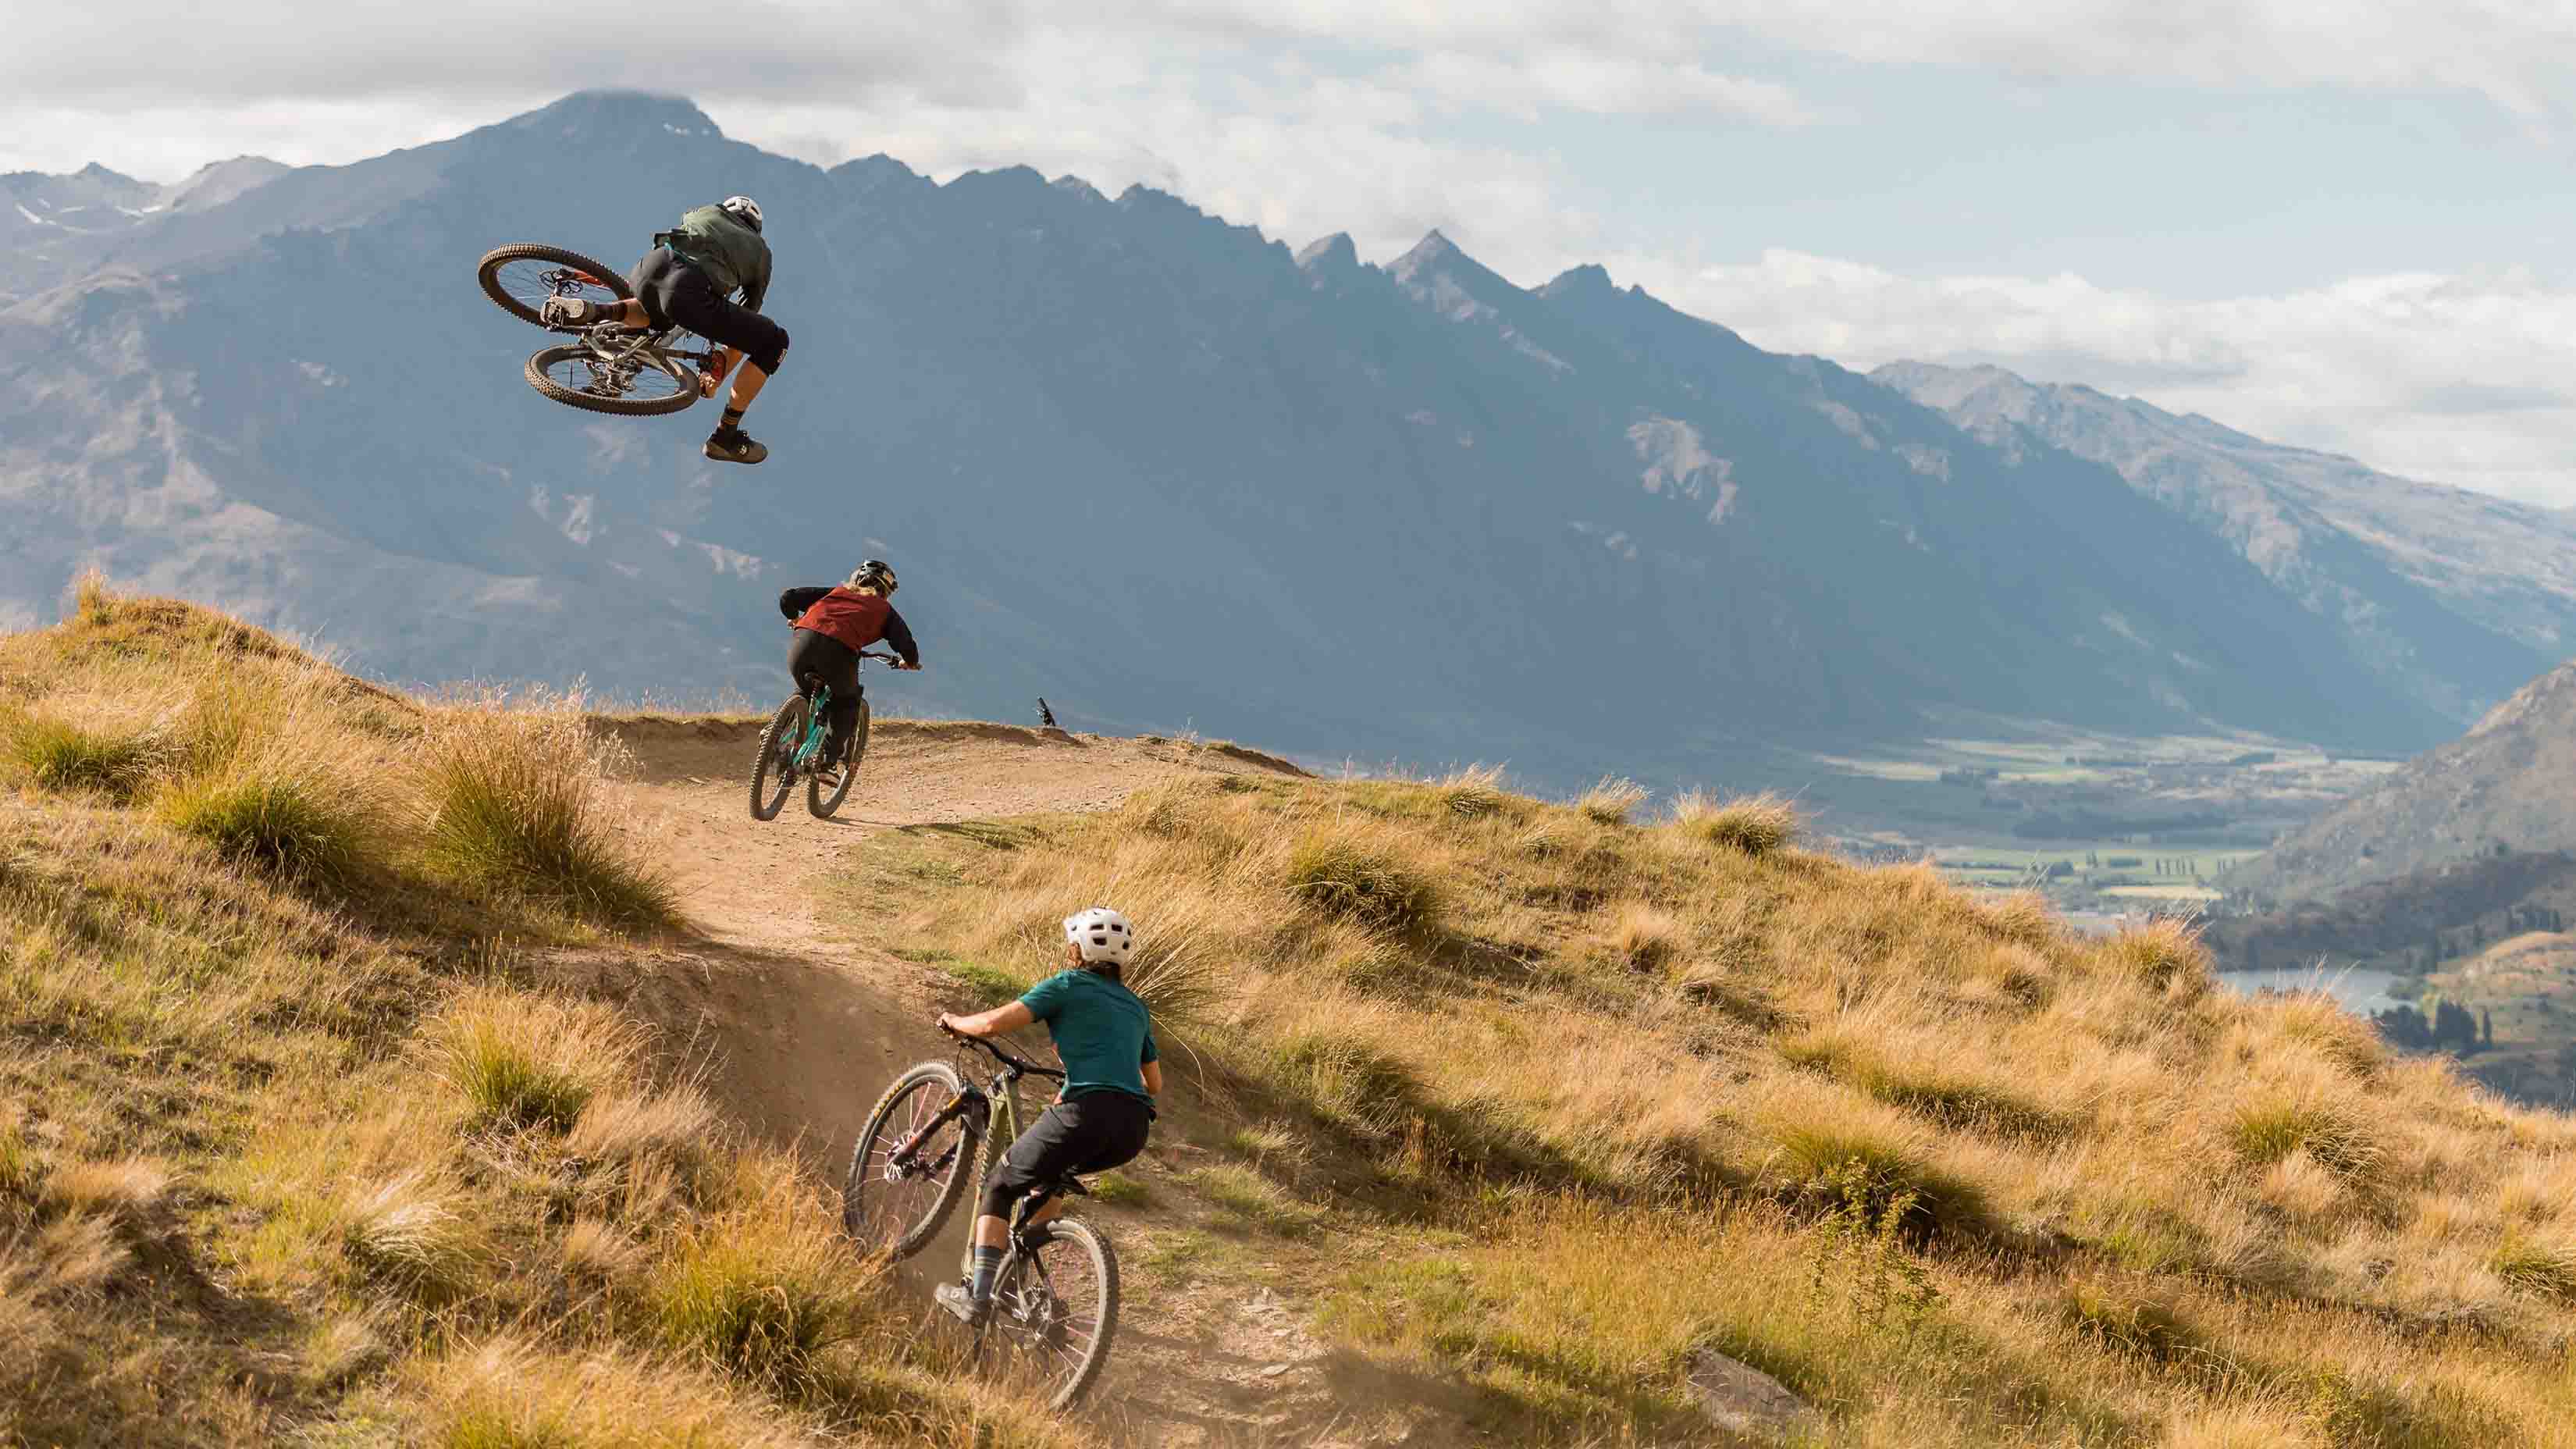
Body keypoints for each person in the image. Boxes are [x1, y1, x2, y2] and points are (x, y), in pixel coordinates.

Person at [934, 908, 1160, 1325]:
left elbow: (993, 1024)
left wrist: (956, 1021)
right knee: (1052, 1176)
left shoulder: (1069, 984)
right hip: (1133, 1128)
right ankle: (1018, 1269)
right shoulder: (1136, 1008)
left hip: (1085, 1113)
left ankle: (977, 1297)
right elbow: (1154, 1084)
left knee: (999, 1185)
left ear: (1078, 949)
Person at [542, 195, 788, 465]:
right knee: (774, 341)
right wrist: (716, 378)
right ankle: (725, 436)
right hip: (688, 291)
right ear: (756, 228)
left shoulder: (704, 211)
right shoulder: (761, 252)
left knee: (656, 313)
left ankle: (593, 311)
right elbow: (744, 328)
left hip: (649, 268)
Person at [777, 561, 920, 785]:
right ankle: (827, 764)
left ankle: (774, 732)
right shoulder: (883, 610)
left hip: (802, 644)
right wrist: (909, 662)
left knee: (805, 689)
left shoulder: (835, 593)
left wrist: (795, 618)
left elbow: (788, 597)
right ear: (885, 591)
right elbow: (906, 643)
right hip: (839, 653)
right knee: (847, 703)